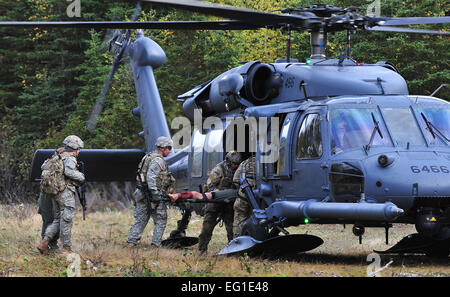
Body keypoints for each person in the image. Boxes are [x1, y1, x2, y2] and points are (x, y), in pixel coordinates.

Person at [37, 135, 85, 255]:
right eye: (79, 148)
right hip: (65, 193)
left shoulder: (56, 157)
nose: (79, 151)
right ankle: (67, 247)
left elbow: (43, 166)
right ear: (76, 149)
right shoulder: (70, 159)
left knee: (58, 220)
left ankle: (44, 242)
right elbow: (69, 172)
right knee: (67, 220)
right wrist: (81, 177)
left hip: (55, 193)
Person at [127, 136, 175, 248]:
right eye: (169, 148)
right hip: (151, 195)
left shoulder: (147, 157)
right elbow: (151, 177)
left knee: (141, 219)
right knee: (161, 220)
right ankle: (155, 246)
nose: (170, 151)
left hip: (141, 193)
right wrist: (155, 194)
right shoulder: (158, 161)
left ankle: (131, 243)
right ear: (163, 148)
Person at [197, 151, 242, 255]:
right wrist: (219, 193)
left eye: (237, 164)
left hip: (229, 203)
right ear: (228, 161)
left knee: (232, 229)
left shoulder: (239, 171)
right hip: (215, 202)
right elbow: (209, 186)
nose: (235, 166)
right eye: (233, 163)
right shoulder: (219, 170)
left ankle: (233, 250)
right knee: (207, 228)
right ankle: (202, 249)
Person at [37, 147, 65, 251]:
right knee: (55, 220)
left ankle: (46, 243)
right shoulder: (63, 163)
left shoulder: (48, 162)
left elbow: (43, 167)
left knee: (48, 220)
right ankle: (50, 245)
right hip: (54, 195)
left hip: (45, 194)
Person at [232, 155, 256, 239]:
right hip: (259, 197)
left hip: (244, 196)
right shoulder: (267, 162)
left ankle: (238, 245)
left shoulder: (246, 162)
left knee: (239, 218)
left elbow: (235, 180)